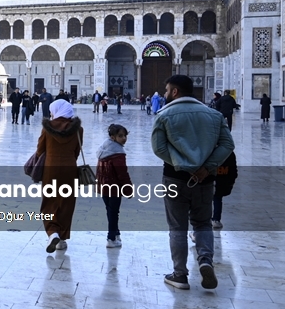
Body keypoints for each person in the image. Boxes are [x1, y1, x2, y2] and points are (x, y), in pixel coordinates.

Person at [151, 74, 235, 291]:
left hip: (175, 178)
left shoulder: (164, 115)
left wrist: (184, 165)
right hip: (205, 181)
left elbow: (159, 149)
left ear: (175, 92)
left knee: (177, 227)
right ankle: (205, 260)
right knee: (203, 222)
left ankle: (180, 275)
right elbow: (228, 145)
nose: (165, 94)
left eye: (167, 90)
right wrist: (205, 168)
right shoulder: (214, 115)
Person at [37, 99, 83, 253]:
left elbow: (40, 150)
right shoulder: (78, 129)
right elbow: (77, 151)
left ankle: (52, 233)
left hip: (51, 170)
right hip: (70, 170)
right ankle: (62, 239)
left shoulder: (47, 128)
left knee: (49, 203)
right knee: (66, 203)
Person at [96, 124, 132, 248]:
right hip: (114, 187)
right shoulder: (118, 153)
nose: (124, 138)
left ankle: (116, 233)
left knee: (110, 211)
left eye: (125, 135)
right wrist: (128, 188)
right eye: (120, 136)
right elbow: (122, 173)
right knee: (114, 212)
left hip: (103, 186)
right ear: (113, 137)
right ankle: (111, 238)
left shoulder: (103, 149)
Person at [212, 151, 237, 229]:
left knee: (204, 199)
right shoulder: (229, 153)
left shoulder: (209, 150)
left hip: (210, 179)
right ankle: (216, 220)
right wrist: (231, 182)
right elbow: (233, 170)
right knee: (218, 199)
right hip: (222, 180)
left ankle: (204, 218)